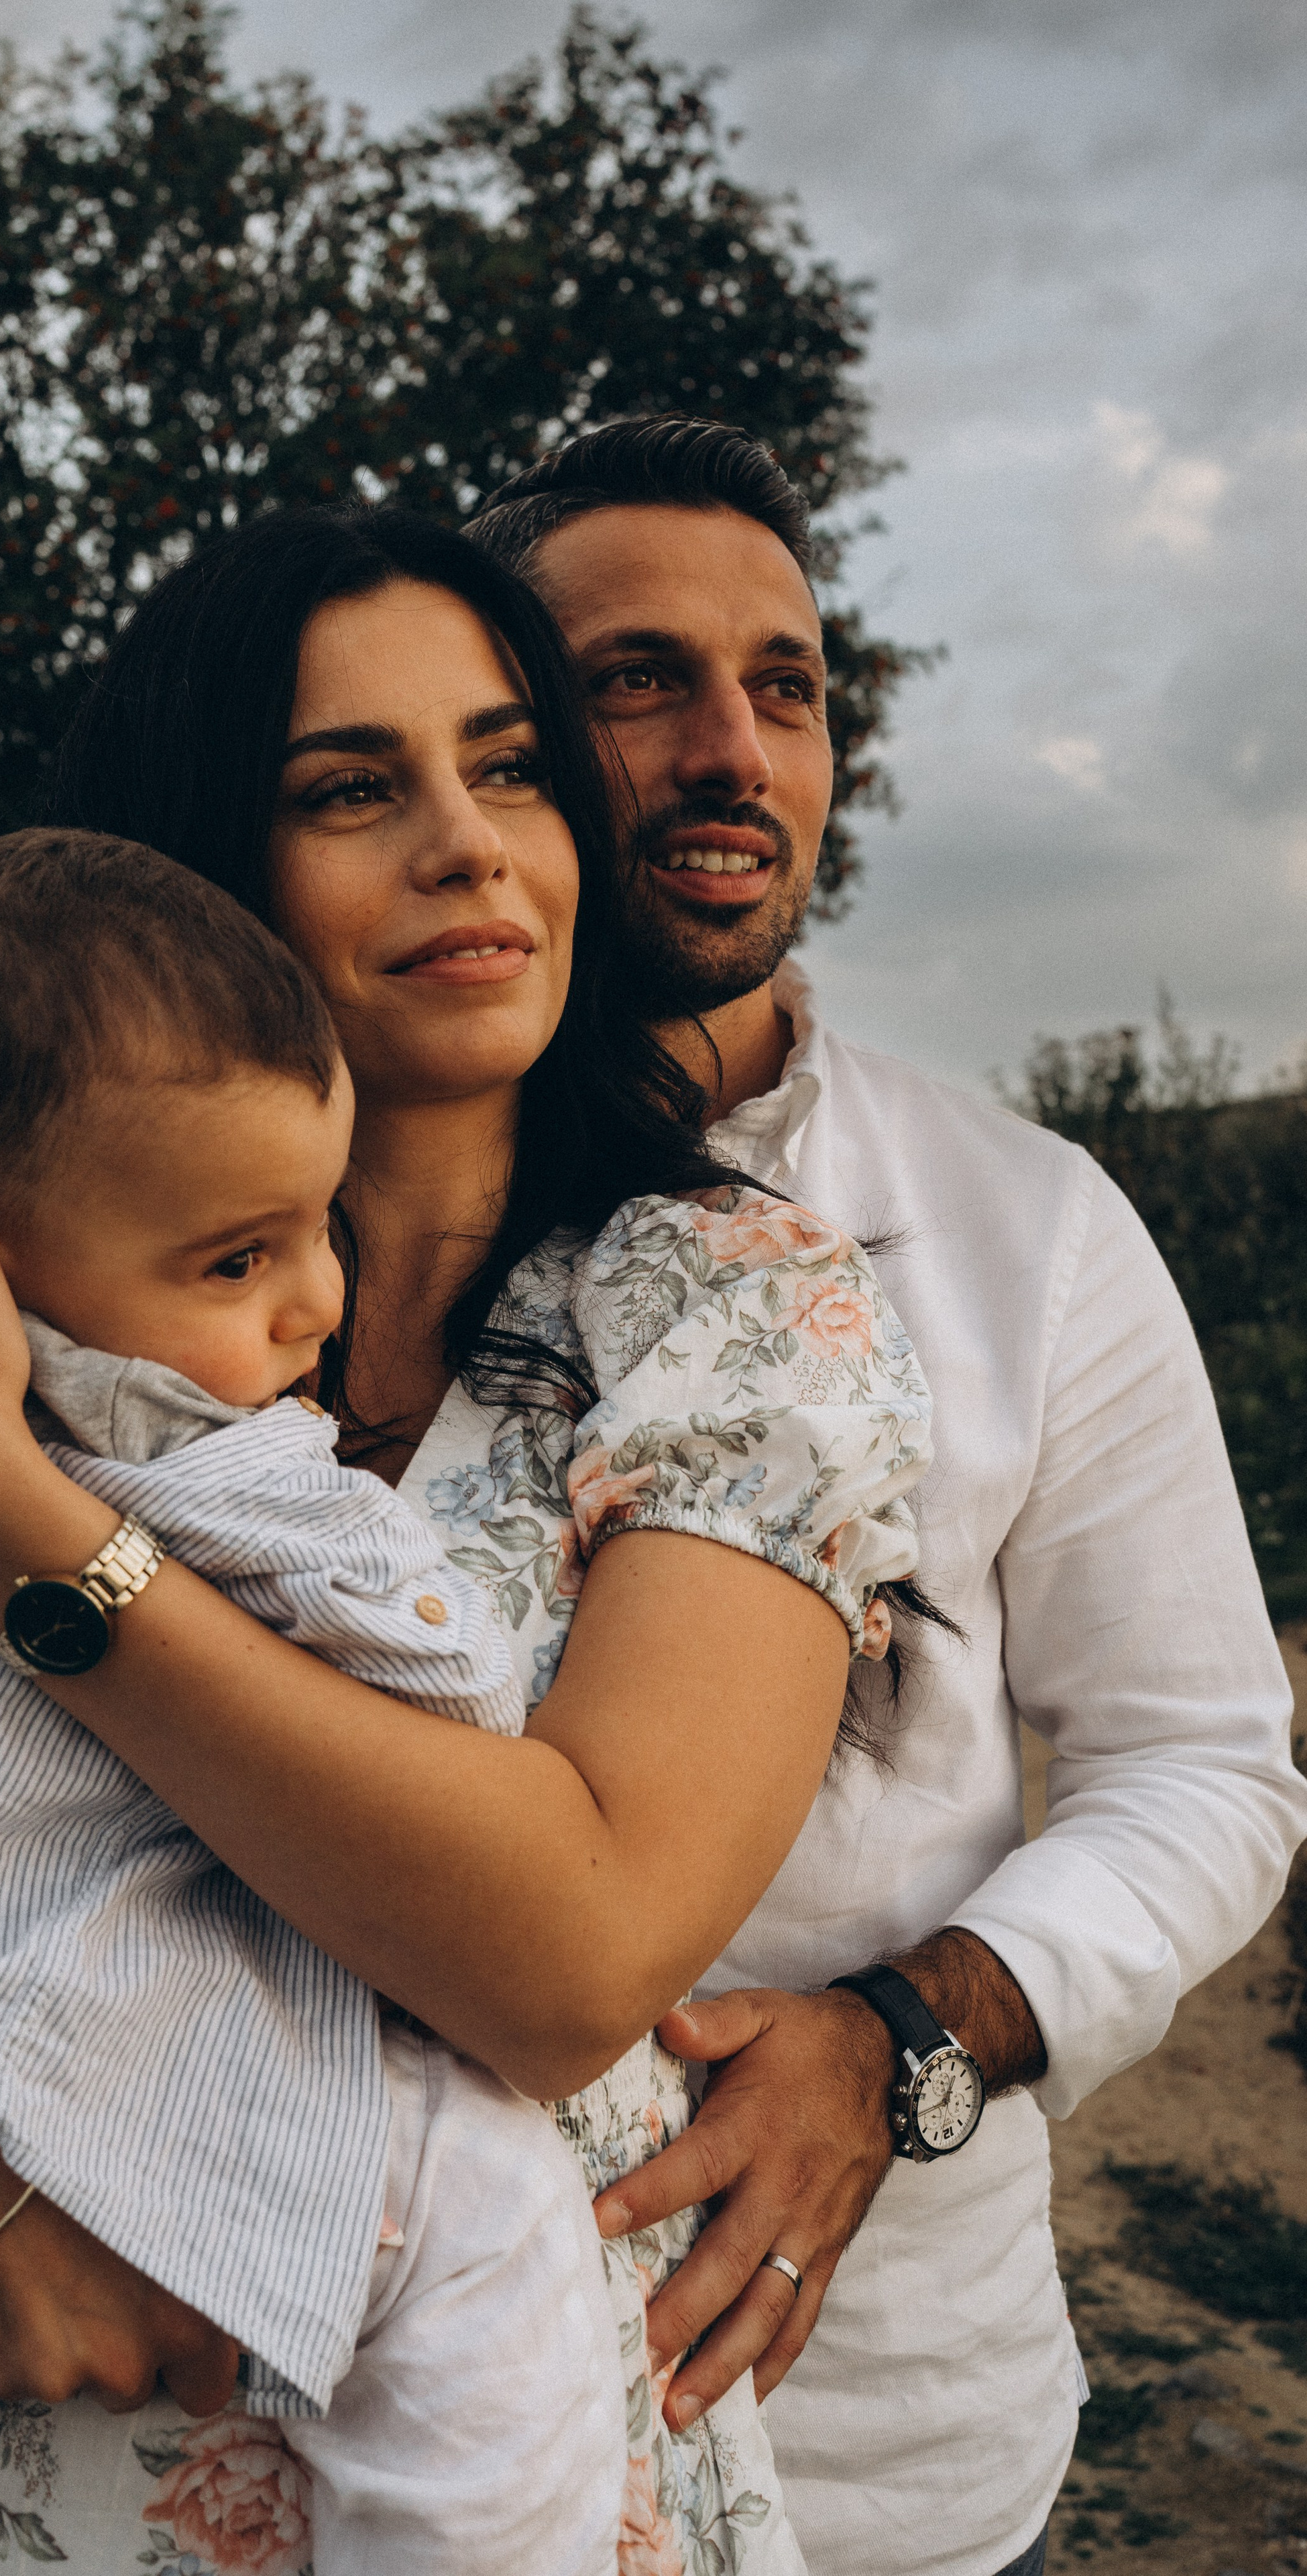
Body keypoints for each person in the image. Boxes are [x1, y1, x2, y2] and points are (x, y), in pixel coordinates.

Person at [0, 506, 929, 2576]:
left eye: (512, 770)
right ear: (189, 859)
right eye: (348, 789)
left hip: (470, 2468)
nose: (471, 843)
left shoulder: (730, 1305)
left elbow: (566, 1955)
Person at [461, 413, 1307, 2576]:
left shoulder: (1025, 1226)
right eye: (638, 677)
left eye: (792, 684)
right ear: (504, 735)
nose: (736, 746)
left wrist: (902, 2041)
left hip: (881, 2450)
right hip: (365, 2434)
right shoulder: (298, 1209)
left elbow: (1205, 1764)